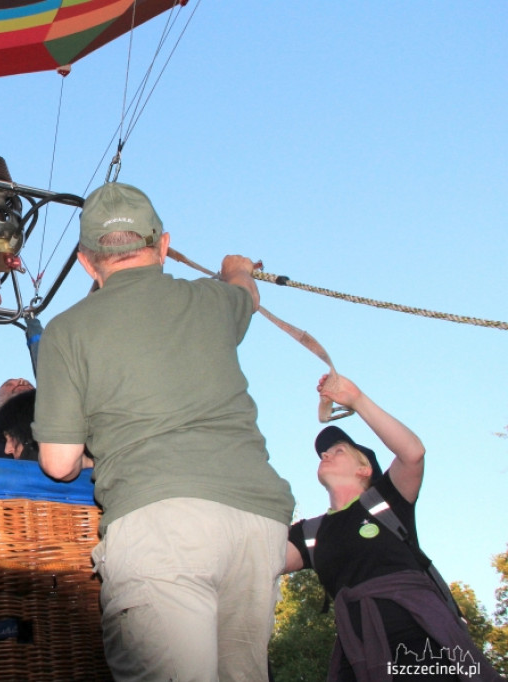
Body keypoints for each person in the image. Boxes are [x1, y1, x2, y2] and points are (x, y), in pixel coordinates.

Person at [33, 181, 294, 682]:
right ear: (164, 245)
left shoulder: (66, 331)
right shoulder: (214, 301)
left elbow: (59, 462)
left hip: (159, 523)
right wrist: (237, 268)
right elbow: (246, 294)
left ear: (87, 263)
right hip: (257, 524)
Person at [285, 374, 503, 681]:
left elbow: (412, 453)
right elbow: (261, 559)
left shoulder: (386, 500)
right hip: (360, 653)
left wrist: (356, 399)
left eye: (339, 450)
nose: (325, 454)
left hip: (423, 643)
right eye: (325, 452)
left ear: (365, 469)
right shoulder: (310, 533)